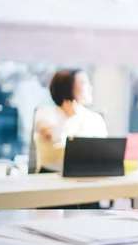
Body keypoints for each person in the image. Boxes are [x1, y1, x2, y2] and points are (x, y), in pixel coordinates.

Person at [33, 69, 108, 208]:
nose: (89, 87)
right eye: (83, 82)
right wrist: (69, 117)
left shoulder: (94, 118)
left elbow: (102, 151)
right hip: (51, 182)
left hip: (87, 182)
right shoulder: (46, 113)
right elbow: (50, 136)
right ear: (68, 87)